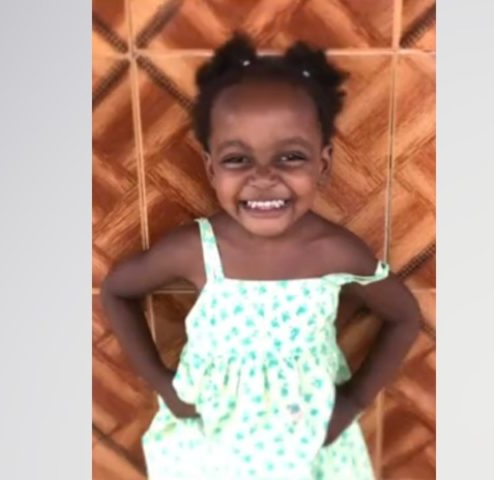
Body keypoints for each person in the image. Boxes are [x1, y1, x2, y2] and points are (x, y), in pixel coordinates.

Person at [101, 32, 422, 480]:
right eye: (238, 159)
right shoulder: (197, 249)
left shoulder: (334, 251)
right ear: (211, 167)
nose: (264, 177)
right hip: (211, 448)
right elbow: (117, 291)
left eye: (290, 156)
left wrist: (353, 402)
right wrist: (164, 386)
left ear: (323, 164)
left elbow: (405, 316)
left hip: (307, 448)